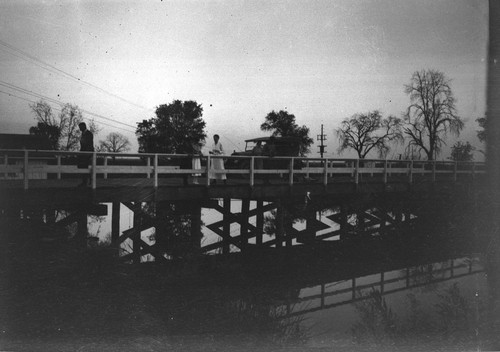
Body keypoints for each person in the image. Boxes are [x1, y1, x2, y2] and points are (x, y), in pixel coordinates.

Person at [77, 122, 94, 187]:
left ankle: (88, 181)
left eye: (80, 127)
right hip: (83, 153)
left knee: (87, 167)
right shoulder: (83, 134)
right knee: (82, 166)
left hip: (88, 153)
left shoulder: (89, 134)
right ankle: (85, 181)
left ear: (84, 126)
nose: (80, 129)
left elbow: (88, 144)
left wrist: (86, 153)